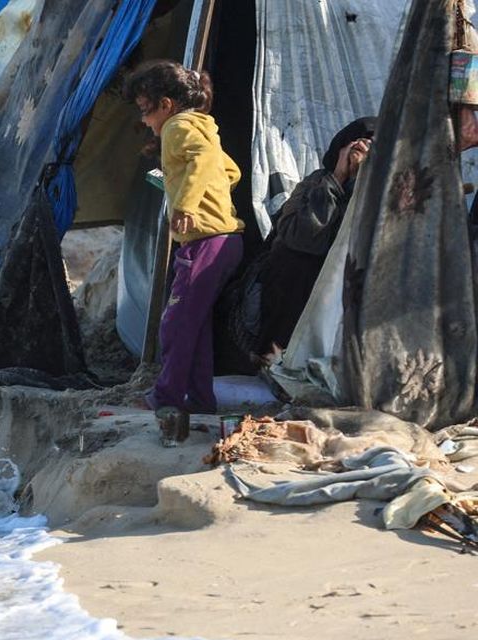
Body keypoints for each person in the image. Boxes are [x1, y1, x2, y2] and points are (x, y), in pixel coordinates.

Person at [123, 60, 245, 415]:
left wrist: (187, 203)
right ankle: (201, 400)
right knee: (196, 325)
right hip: (226, 242)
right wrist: (185, 188)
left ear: (166, 105)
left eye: (146, 112)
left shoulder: (177, 127)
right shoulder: (204, 127)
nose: (145, 122)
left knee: (175, 324)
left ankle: (167, 397)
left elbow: (204, 159)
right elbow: (230, 170)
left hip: (204, 242)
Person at [255, 117, 376, 356]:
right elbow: (300, 237)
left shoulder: (380, 196)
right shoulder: (315, 182)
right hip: (291, 291)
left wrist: (361, 182)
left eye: (372, 145)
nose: (362, 147)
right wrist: (337, 179)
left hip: (344, 299)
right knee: (296, 262)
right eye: (356, 142)